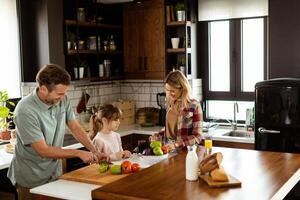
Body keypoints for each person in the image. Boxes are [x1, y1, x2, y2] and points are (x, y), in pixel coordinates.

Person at [7, 64, 109, 200]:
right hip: (31, 176)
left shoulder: (62, 99)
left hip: (54, 173)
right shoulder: (25, 110)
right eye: (59, 93)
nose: (63, 97)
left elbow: (75, 127)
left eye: (64, 93)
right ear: (43, 89)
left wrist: (94, 150)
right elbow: (42, 150)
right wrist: (79, 153)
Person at [154, 70, 203, 149]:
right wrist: (158, 135)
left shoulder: (194, 105)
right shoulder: (170, 103)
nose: (169, 94)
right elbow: (171, 129)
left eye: (172, 91)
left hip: (185, 152)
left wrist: (176, 144)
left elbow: (197, 137)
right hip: (167, 150)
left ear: (182, 88)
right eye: (167, 90)